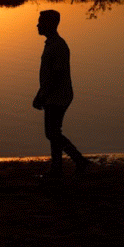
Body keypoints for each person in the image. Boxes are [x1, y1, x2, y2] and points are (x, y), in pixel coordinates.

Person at [33, 10, 89, 180]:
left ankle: (78, 161)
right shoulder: (52, 44)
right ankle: (57, 169)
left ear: (50, 24)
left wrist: (43, 96)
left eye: (40, 22)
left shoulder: (58, 46)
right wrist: (40, 94)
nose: (37, 25)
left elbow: (56, 76)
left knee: (52, 133)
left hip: (58, 97)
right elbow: (50, 76)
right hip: (54, 95)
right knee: (53, 132)